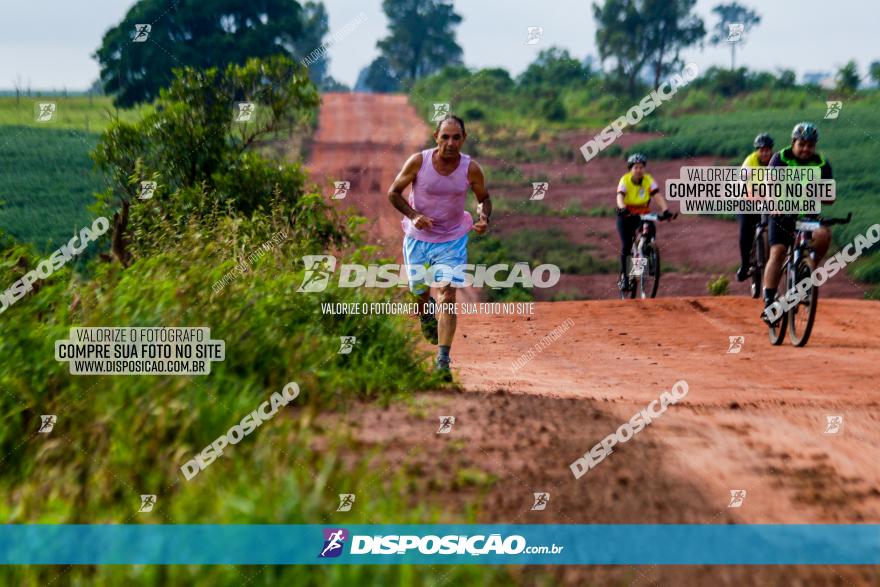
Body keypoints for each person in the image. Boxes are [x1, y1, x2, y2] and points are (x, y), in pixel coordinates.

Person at [387, 114, 491, 379]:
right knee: (419, 293)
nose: (450, 143)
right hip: (418, 239)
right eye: (445, 137)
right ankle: (425, 313)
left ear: (464, 139)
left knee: (448, 295)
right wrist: (413, 216)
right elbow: (393, 193)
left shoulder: (471, 169)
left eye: (456, 137)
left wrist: (483, 217)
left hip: (453, 239)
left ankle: (443, 360)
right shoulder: (419, 162)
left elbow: (484, 198)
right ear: (436, 137)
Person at [761, 122, 833, 324]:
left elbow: (830, 197)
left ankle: (805, 274)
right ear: (793, 143)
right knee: (778, 250)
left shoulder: (821, 163)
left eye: (810, 145)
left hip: (807, 217)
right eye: (802, 144)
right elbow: (769, 186)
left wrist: (817, 192)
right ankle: (769, 302)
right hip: (781, 214)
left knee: (824, 235)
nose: (806, 149)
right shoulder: (780, 158)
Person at [615, 153, 672, 291]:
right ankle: (625, 277)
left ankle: (650, 260)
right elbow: (619, 197)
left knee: (650, 232)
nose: (639, 170)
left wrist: (665, 210)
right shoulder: (625, 180)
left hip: (643, 213)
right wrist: (622, 208)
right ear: (630, 169)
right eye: (635, 167)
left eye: (641, 167)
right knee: (626, 245)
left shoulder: (648, 180)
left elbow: (657, 196)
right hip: (626, 215)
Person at [736, 133, 774, 282]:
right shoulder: (750, 161)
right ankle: (745, 265)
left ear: (771, 150)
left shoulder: (775, 161)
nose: (764, 153)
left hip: (768, 200)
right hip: (748, 200)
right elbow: (741, 184)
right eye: (761, 150)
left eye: (767, 150)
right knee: (745, 230)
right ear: (757, 150)